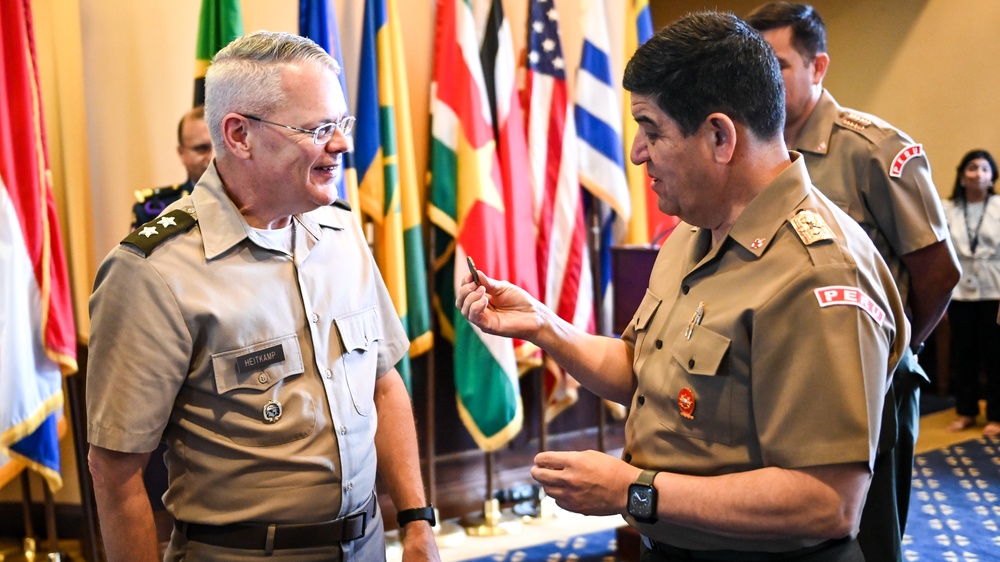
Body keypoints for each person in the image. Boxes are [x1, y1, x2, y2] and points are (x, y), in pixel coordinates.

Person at [458, 12, 907, 561]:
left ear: (720, 136)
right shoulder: (694, 231)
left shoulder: (819, 272)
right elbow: (647, 371)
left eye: (652, 130)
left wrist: (633, 491)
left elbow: (827, 502)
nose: (636, 153)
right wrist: (545, 327)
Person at [87, 31, 440, 562]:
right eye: (318, 128)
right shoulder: (153, 272)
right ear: (239, 135)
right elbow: (114, 472)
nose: (342, 144)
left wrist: (417, 522)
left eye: (340, 124)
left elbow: (384, 383)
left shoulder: (342, 234)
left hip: (369, 546)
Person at [745, 4, 962, 561]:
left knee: (866, 539)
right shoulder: (750, 152)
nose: (761, 79)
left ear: (818, 67)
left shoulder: (873, 150)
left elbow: (938, 273)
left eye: (778, 64)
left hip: (869, 386)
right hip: (779, 380)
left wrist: (894, 352)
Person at [942, 149, 1000, 438]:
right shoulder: (948, 208)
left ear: (993, 177)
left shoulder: (999, 206)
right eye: (973, 168)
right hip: (960, 290)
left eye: (985, 169)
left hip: (995, 289)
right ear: (962, 175)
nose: (979, 173)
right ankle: (966, 411)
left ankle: (996, 414)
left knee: (995, 354)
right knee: (963, 353)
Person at [130, 105, 215, 229]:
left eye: (220, 147)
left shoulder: (249, 205)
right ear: (181, 153)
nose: (213, 157)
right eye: (202, 148)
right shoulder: (154, 210)